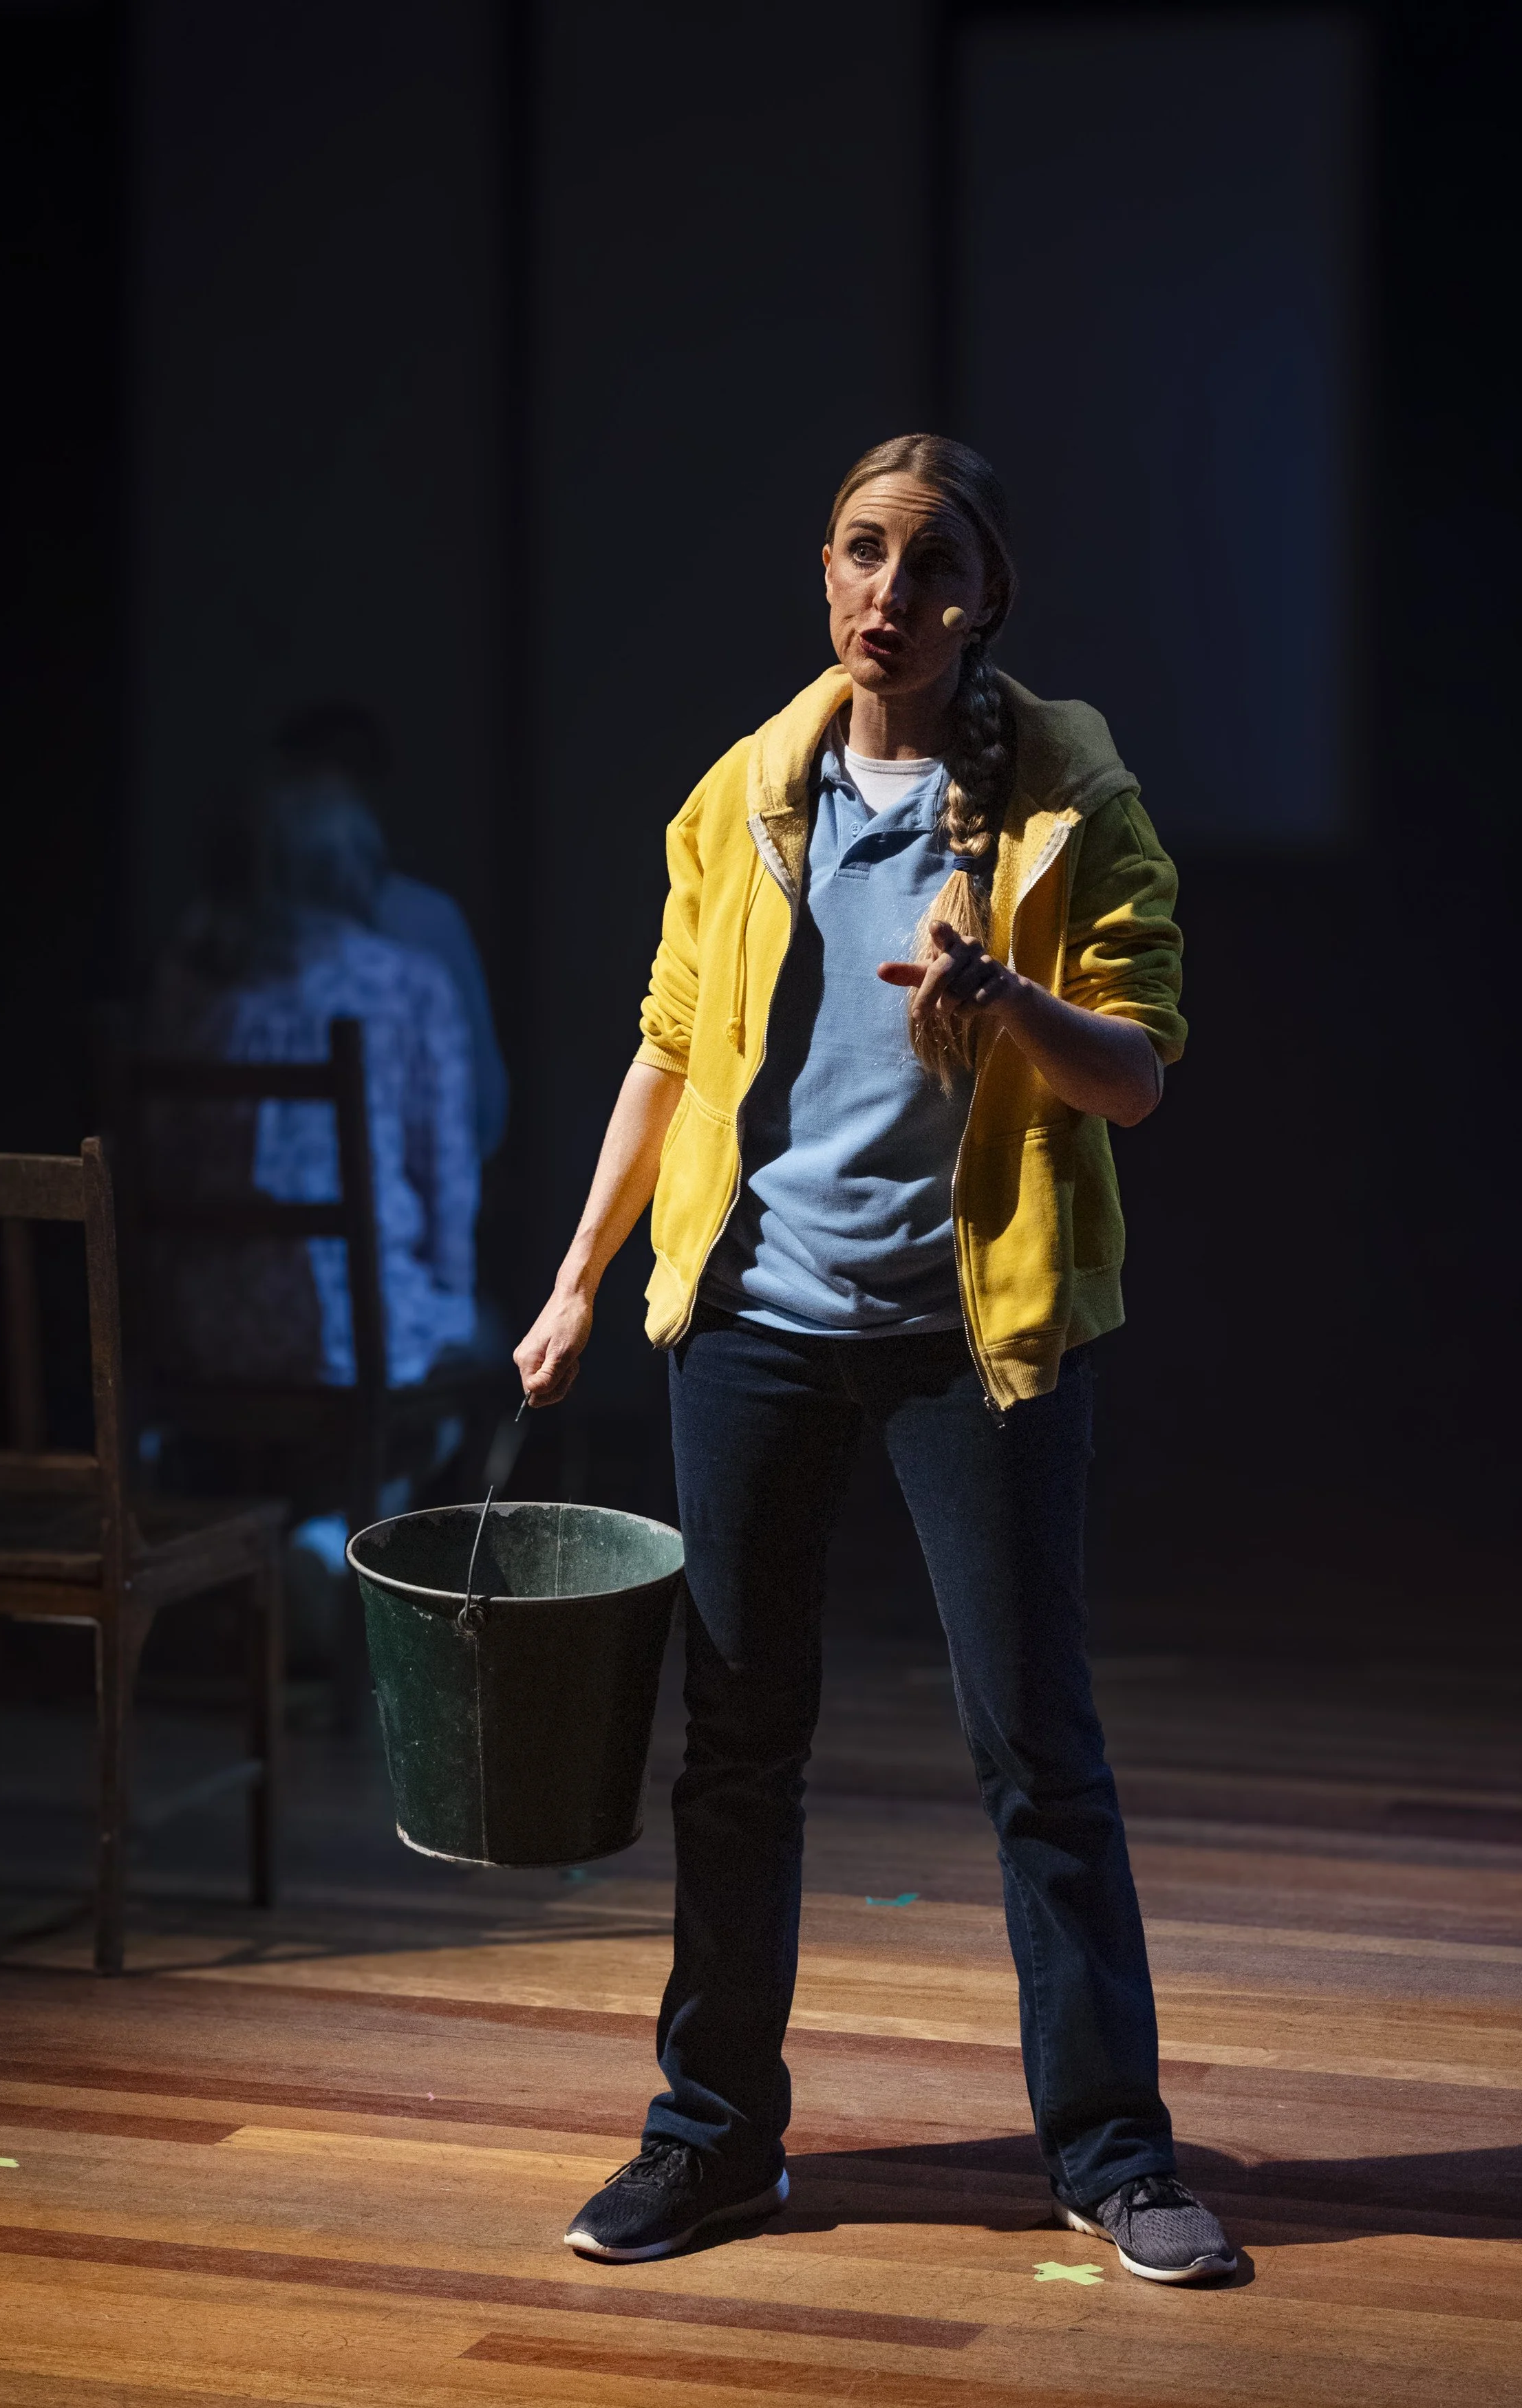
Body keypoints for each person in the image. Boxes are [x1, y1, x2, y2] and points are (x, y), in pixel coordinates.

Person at [515, 435, 1235, 2286]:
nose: (884, 598)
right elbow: (670, 1050)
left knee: (1035, 1752)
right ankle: (710, 2139)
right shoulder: (745, 795)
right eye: (858, 555)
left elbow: (1137, 1074)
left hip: (969, 1342)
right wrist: (581, 1275)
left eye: (925, 568)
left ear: (983, 598)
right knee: (733, 1753)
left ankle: (1112, 2147)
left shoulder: (1073, 799)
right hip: (752, 1325)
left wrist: (1003, 997)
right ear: (819, 573)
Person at [150, 779, 482, 1391]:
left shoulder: (191, 982)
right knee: (474, 1339)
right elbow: (448, 1174)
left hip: (203, 1326)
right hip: (362, 1330)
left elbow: (160, 1157)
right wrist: (452, 1297)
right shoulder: (407, 984)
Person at [270, 702, 508, 1168]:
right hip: (385, 1225)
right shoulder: (418, 957)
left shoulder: (209, 953)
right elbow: (480, 1116)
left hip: (210, 1235)